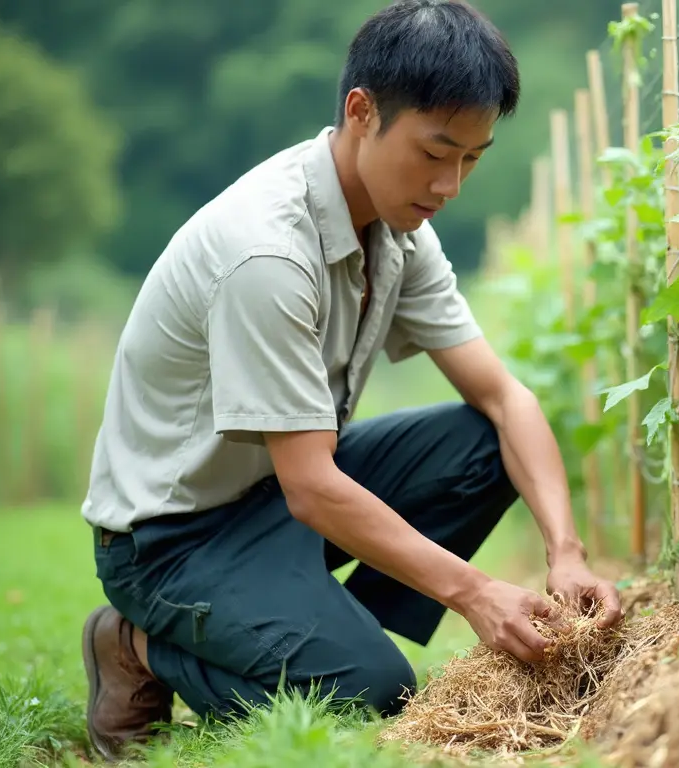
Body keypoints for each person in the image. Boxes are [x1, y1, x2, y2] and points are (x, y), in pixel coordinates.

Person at [78, 0, 623, 760]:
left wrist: (565, 550)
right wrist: (473, 590)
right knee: (370, 696)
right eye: (435, 153)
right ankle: (137, 642)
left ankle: (319, 629)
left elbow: (506, 399)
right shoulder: (267, 254)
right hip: (175, 539)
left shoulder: (398, 228)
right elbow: (312, 486)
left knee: (480, 440)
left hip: (275, 497)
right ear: (361, 112)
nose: (451, 184)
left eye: (472, 158)